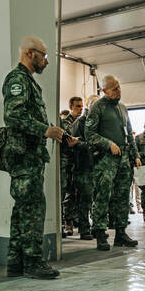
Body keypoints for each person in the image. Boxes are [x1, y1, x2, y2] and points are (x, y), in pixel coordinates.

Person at [2, 36, 70, 279]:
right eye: (44, 55)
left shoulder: (27, 81)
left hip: (30, 155)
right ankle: (32, 262)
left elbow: (27, 116)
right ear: (31, 53)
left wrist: (52, 130)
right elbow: (13, 116)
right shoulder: (17, 80)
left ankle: (15, 261)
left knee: (22, 208)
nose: (46, 61)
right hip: (24, 156)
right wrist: (45, 130)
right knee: (32, 208)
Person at [82, 74, 141, 251]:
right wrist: (108, 144)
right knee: (103, 196)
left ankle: (121, 233)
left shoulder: (123, 108)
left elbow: (129, 133)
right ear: (104, 90)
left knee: (122, 197)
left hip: (124, 159)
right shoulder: (97, 107)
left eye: (119, 87)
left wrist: (136, 155)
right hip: (106, 160)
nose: (118, 91)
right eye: (114, 88)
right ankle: (100, 233)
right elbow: (89, 133)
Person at [62, 96, 92, 239]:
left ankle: (80, 222)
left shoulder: (87, 122)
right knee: (70, 194)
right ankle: (68, 222)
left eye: (81, 106)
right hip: (69, 163)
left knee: (82, 195)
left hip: (82, 162)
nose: (80, 109)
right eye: (77, 106)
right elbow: (68, 142)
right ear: (71, 106)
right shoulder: (65, 122)